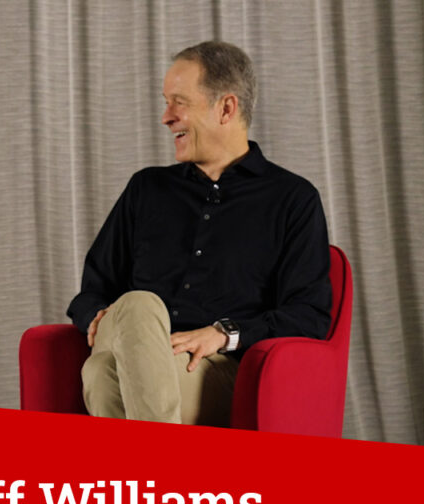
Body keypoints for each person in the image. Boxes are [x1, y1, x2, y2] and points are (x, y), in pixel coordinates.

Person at [67, 41, 331, 425]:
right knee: (137, 308)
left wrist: (223, 334)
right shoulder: (146, 189)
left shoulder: (292, 199)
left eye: (179, 102)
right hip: (130, 350)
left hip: (214, 371)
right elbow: (92, 291)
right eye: (165, 102)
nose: (165, 117)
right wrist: (101, 316)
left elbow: (309, 316)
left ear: (226, 108)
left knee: (101, 376)